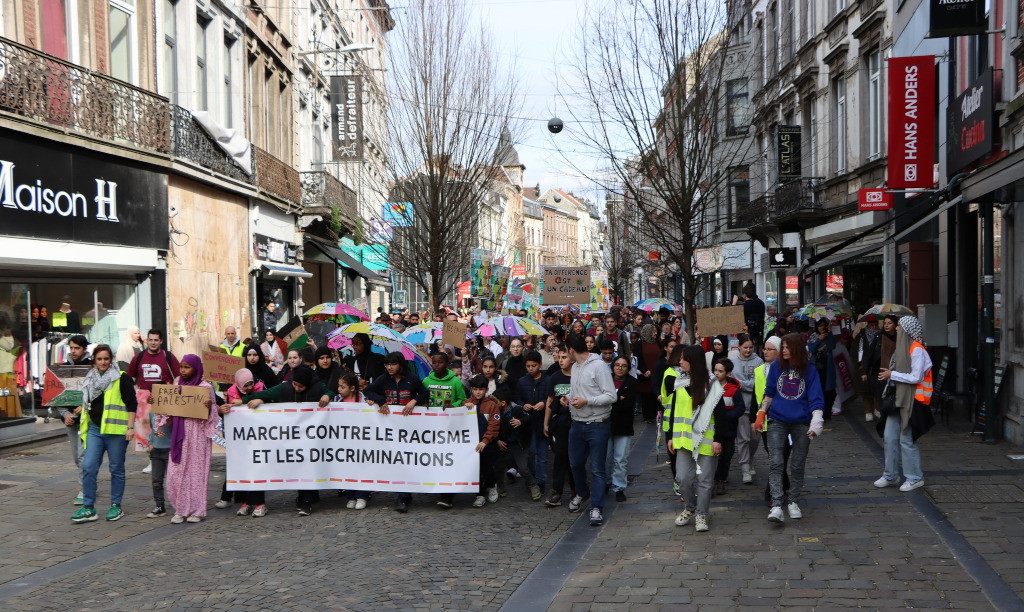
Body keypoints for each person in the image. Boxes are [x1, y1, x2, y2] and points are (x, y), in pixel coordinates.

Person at [754, 333, 825, 523]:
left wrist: (816, 420)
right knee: (775, 462)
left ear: (796, 348)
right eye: (782, 347)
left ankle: (793, 501)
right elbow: (769, 392)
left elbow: (816, 397)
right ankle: (777, 504)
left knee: (797, 464)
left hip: (801, 421)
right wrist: (762, 414)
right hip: (777, 420)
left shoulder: (809, 370)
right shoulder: (777, 366)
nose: (783, 350)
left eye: (787, 347)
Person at [240, 366, 325, 516]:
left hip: (310, 437)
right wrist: (246, 400)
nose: (297, 388)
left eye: (301, 386)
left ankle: (306, 501)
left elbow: (330, 390)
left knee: (308, 466)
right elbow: (265, 393)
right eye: (295, 385)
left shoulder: (318, 388)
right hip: (291, 437)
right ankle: (303, 497)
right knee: (298, 466)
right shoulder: (285, 387)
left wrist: (328, 396)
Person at [71, 345, 138, 523]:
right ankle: (88, 507)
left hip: (115, 431)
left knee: (116, 468)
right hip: (94, 429)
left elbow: (132, 404)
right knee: (89, 466)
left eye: (106, 359)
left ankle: (116, 505)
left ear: (111, 360)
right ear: (94, 360)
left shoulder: (121, 378)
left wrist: (130, 428)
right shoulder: (90, 378)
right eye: (99, 359)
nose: (103, 362)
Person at [359, 352, 428, 513]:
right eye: (387, 364)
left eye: (393, 364)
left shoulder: (412, 378)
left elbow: (425, 393)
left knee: (405, 460)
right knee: (395, 460)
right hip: (389, 429)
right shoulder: (383, 379)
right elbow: (368, 390)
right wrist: (380, 400)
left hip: (408, 428)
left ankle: (403, 495)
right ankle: (401, 493)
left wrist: (414, 400)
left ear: (401, 365)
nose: (389, 367)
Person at [875, 316, 934, 492]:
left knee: (906, 440)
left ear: (908, 330)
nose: (897, 329)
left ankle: (915, 477)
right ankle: (890, 475)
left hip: (911, 401)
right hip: (898, 400)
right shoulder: (903, 349)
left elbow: (916, 377)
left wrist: (891, 374)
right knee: (889, 437)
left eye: (900, 326)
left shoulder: (917, 350)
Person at [563, 334, 616, 526]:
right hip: (577, 423)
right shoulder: (576, 367)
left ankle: (596, 507)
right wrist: (569, 398)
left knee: (597, 468)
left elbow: (611, 396)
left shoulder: (599, 366)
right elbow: (579, 390)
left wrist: (588, 401)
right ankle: (583, 493)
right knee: (575, 464)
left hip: (598, 424)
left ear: (571, 350)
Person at [158, 354, 218, 524]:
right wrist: (158, 402)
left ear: (196, 368)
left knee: (196, 474)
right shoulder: (177, 386)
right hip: (180, 433)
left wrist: (209, 407)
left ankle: (197, 510)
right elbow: (168, 410)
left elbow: (214, 412)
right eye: (181, 367)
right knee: (175, 473)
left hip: (198, 435)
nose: (183, 371)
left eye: (187, 367)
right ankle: (180, 508)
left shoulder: (205, 387)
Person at [668, 345, 721, 532]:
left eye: (683, 358)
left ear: (694, 361)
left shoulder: (712, 384)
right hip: (683, 441)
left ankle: (701, 514)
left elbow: (721, 415)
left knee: (705, 481)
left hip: (707, 440)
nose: (680, 361)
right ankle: (690, 507)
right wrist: (671, 437)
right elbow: (674, 413)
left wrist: (718, 439)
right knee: (682, 478)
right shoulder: (679, 382)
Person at [215, 368, 266, 511]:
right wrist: (222, 411)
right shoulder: (231, 392)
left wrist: (260, 399)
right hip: (241, 436)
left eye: (251, 384)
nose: (250, 388)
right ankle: (245, 501)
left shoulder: (261, 387)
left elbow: (271, 401)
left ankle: (259, 502)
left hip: (258, 435)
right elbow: (229, 414)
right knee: (242, 468)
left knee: (256, 467)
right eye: (246, 385)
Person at [57, 335, 92, 505]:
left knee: (82, 456)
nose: (73, 351)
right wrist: (65, 414)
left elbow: (97, 393)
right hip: (70, 419)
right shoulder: (63, 368)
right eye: (71, 348)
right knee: (76, 457)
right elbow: (56, 396)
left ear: (84, 348)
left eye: (76, 348)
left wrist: (84, 408)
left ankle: (84, 488)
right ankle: (89, 482)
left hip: (87, 419)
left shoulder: (91, 367)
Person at [754, 337, 790, 503]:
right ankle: (785, 483)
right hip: (765, 421)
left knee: (779, 457)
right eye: (765, 349)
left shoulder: (787, 370)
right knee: (774, 456)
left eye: (770, 349)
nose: (765, 352)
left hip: (783, 419)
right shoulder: (758, 370)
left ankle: (772, 493)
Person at [461, 374, 503, 507]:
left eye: (481, 389)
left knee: (487, 468)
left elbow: (493, 426)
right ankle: (479, 494)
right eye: (475, 389)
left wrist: (485, 441)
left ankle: (492, 485)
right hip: (472, 445)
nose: (478, 392)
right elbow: (457, 419)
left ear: (486, 390)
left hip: (487, 444)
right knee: (475, 470)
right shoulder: (467, 403)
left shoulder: (492, 406)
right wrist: (463, 408)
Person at [515, 350, 550, 499]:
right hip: (527, 424)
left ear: (540, 365)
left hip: (542, 421)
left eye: (533, 366)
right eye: (528, 366)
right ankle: (532, 479)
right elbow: (516, 399)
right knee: (530, 453)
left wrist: (543, 403)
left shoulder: (547, 380)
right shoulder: (522, 382)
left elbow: (550, 398)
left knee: (542, 454)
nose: (531, 369)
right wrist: (524, 405)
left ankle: (541, 480)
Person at [543, 347, 575, 506]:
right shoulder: (554, 377)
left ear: (573, 359)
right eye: (559, 356)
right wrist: (546, 423)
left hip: (576, 422)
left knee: (575, 458)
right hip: (560, 423)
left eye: (565, 357)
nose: (561, 359)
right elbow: (549, 401)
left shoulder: (578, 376)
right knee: (560, 457)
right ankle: (557, 491)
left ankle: (577, 490)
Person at [494, 386, 538, 502]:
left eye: (495, 401)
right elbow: (493, 428)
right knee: (499, 467)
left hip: (519, 445)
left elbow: (530, 418)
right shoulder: (495, 412)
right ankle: (500, 488)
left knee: (523, 468)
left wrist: (520, 421)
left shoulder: (516, 409)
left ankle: (533, 485)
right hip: (504, 444)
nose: (493, 404)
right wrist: (498, 440)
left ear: (503, 403)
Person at [710, 358, 745, 495]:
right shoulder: (710, 387)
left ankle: (721, 480)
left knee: (726, 456)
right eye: (715, 370)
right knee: (713, 456)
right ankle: (712, 480)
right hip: (713, 430)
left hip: (729, 430)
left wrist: (727, 416)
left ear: (728, 373)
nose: (717, 373)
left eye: (720, 371)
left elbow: (740, 408)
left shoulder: (733, 390)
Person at [732, 333, 763, 484]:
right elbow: (734, 382)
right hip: (741, 406)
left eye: (751, 347)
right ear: (739, 347)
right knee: (743, 438)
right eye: (745, 347)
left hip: (755, 406)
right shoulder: (733, 361)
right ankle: (745, 467)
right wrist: (746, 384)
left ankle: (750, 459)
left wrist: (742, 384)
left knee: (755, 438)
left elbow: (757, 383)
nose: (748, 350)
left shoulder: (758, 361)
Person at [606, 356, 636, 502]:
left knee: (620, 459)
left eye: (623, 365)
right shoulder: (605, 380)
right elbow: (602, 400)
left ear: (628, 368)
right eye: (617, 365)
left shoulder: (632, 382)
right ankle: (605, 483)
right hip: (605, 423)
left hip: (624, 425)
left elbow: (628, 404)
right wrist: (619, 398)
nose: (620, 368)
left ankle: (619, 487)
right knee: (604, 457)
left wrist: (613, 400)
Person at [144, 387, 173, 519]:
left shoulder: (172, 415)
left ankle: (178, 505)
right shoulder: (152, 413)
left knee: (172, 481)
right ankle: (160, 505)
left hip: (169, 450)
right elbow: (154, 430)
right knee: (156, 480)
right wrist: (151, 443)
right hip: (156, 450)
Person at [807, 318, 837, 419]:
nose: (822, 327)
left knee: (829, 390)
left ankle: (827, 412)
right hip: (816, 366)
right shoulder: (813, 336)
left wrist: (828, 336)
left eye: (824, 325)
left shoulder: (829, 336)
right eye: (820, 326)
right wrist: (819, 339)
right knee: (817, 388)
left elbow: (832, 346)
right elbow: (811, 349)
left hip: (827, 366)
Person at [854, 318, 882, 422]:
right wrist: (858, 365)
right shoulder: (861, 337)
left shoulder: (882, 336)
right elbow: (854, 352)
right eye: (872, 325)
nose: (874, 327)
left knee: (878, 390)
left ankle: (878, 409)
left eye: (875, 325)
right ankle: (868, 411)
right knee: (865, 391)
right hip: (863, 367)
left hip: (877, 367)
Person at [742, 284, 766, 348]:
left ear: (745, 294)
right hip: (758, 333)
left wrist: (733, 304)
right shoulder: (761, 303)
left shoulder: (744, 306)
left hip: (746, 335)